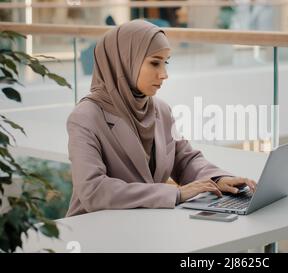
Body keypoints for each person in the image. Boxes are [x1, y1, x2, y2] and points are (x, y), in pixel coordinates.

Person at [65, 20, 257, 217]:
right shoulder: (85, 117)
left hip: (145, 225)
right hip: (94, 230)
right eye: (154, 62)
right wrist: (175, 193)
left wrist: (218, 179)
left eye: (165, 63)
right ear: (125, 61)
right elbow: (93, 190)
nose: (164, 74)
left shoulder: (160, 110)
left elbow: (184, 159)